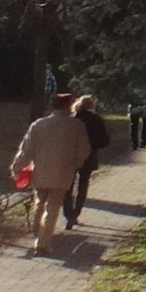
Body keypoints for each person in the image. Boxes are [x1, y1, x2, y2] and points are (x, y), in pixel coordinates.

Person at [11, 93, 91, 256]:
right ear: (68, 105)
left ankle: (37, 234)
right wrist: (76, 163)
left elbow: (26, 149)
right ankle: (42, 243)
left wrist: (17, 167)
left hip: (40, 171)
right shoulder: (75, 125)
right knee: (53, 207)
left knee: (39, 202)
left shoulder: (39, 125)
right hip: (62, 172)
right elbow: (84, 149)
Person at [63, 95, 111, 229]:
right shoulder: (96, 119)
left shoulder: (72, 119)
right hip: (88, 157)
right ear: (92, 106)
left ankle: (68, 213)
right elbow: (104, 141)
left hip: (70, 157)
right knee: (83, 185)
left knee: (68, 186)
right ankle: (76, 213)